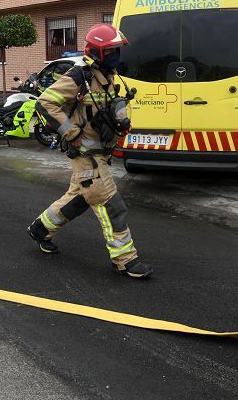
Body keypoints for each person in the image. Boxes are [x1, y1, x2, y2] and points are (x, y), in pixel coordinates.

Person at [27, 24, 153, 279]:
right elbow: (45, 103)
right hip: (85, 155)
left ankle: (40, 229)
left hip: (100, 154)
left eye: (118, 50)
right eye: (112, 51)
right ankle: (125, 260)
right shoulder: (79, 76)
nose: (117, 55)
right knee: (112, 206)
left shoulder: (107, 77)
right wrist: (71, 133)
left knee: (78, 199)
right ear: (97, 53)